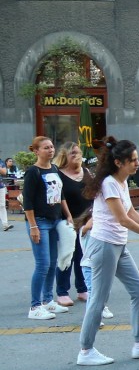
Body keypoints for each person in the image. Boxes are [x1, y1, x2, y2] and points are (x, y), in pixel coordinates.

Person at [77, 137, 139, 365]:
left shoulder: (122, 182)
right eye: (133, 160)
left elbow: (130, 213)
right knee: (99, 299)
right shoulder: (109, 183)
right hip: (104, 245)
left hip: (118, 245)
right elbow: (123, 219)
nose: (137, 163)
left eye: (137, 159)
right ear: (119, 162)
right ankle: (86, 350)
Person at [23, 136, 72, 320]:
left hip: (54, 220)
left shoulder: (54, 168)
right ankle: (35, 307)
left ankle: (48, 301)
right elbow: (27, 202)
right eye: (46, 148)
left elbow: (61, 194)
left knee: (52, 263)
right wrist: (33, 226)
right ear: (36, 151)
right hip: (39, 222)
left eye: (52, 147)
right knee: (42, 264)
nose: (51, 150)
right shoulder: (33, 172)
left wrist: (67, 214)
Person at [53, 141, 91, 307]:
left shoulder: (86, 172)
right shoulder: (58, 173)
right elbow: (58, 198)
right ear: (65, 156)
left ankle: (82, 289)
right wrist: (67, 215)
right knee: (66, 255)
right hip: (67, 221)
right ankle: (62, 291)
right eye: (72, 153)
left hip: (86, 220)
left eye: (78, 152)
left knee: (83, 256)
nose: (77, 156)